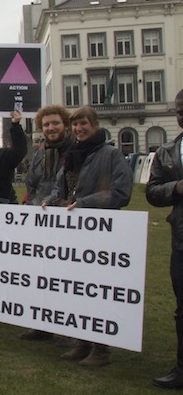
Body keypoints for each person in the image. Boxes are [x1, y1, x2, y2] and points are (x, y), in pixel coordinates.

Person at [42, 105, 132, 366]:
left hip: (100, 233)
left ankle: (101, 349)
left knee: (96, 290)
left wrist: (86, 203)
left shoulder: (111, 154)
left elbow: (121, 193)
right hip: (73, 234)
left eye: (84, 124)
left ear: (95, 125)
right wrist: (49, 201)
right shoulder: (71, 155)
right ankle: (82, 342)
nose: (79, 129)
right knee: (76, 289)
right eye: (76, 125)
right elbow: (61, 188)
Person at [19, 105, 73, 341]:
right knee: (41, 275)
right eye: (46, 124)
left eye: (55, 123)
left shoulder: (75, 150)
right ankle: (42, 324)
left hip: (67, 221)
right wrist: (30, 208)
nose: (51, 128)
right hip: (40, 220)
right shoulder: (40, 152)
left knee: (67, 276)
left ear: (65, 125)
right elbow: (31, 184)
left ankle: (73, 325)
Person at [146, 89, 183, 388]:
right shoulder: (166, 152)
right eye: (180, 110)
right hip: (180, 240)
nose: (182, 115)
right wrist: (177, 189)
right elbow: (152, 192)